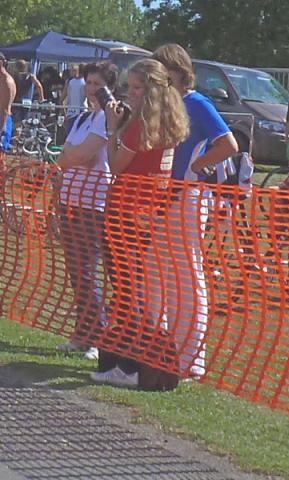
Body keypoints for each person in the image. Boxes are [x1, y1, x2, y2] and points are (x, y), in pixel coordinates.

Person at [92, 58, 189, 387]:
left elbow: (116, 164)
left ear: (151, 90)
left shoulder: (140, 126)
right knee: (132, 290)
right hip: (147, 213)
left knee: (126, 292)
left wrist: (111, 128)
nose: (130, 94)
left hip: (125, 212)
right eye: (129, 87)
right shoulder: (169, 122)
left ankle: (132, 365)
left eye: (137, 88)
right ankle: (129, 359)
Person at [153, 43, 238, 379]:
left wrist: (196, 166)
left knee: (188, 277)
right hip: (161, 199)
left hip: (187, 198)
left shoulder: (198, 103)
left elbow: (228, 144)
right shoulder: (164, 104)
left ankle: (192, 359)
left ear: (176, 70)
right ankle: (162, 349)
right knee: (160, 275)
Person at [55, 62, 119, 362]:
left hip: (92, 203)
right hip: (71, 200)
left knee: (88, 272)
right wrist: (71, 158)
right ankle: (83, 332)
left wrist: (72, 157)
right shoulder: (84, 118)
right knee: (76, 273)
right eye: (89, 83)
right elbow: (66, 157)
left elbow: (82, 155)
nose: (91, 89)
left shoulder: (107, 118)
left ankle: (98, 335)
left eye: (97, 84)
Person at [12, 59, 44, 124]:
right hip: (27, 101)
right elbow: (39, 86)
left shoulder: (13, 76)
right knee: (24, 121)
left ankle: (18, 129)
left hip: (16, 101)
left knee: (16, 121)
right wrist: (41, 98)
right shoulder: (31, 76)